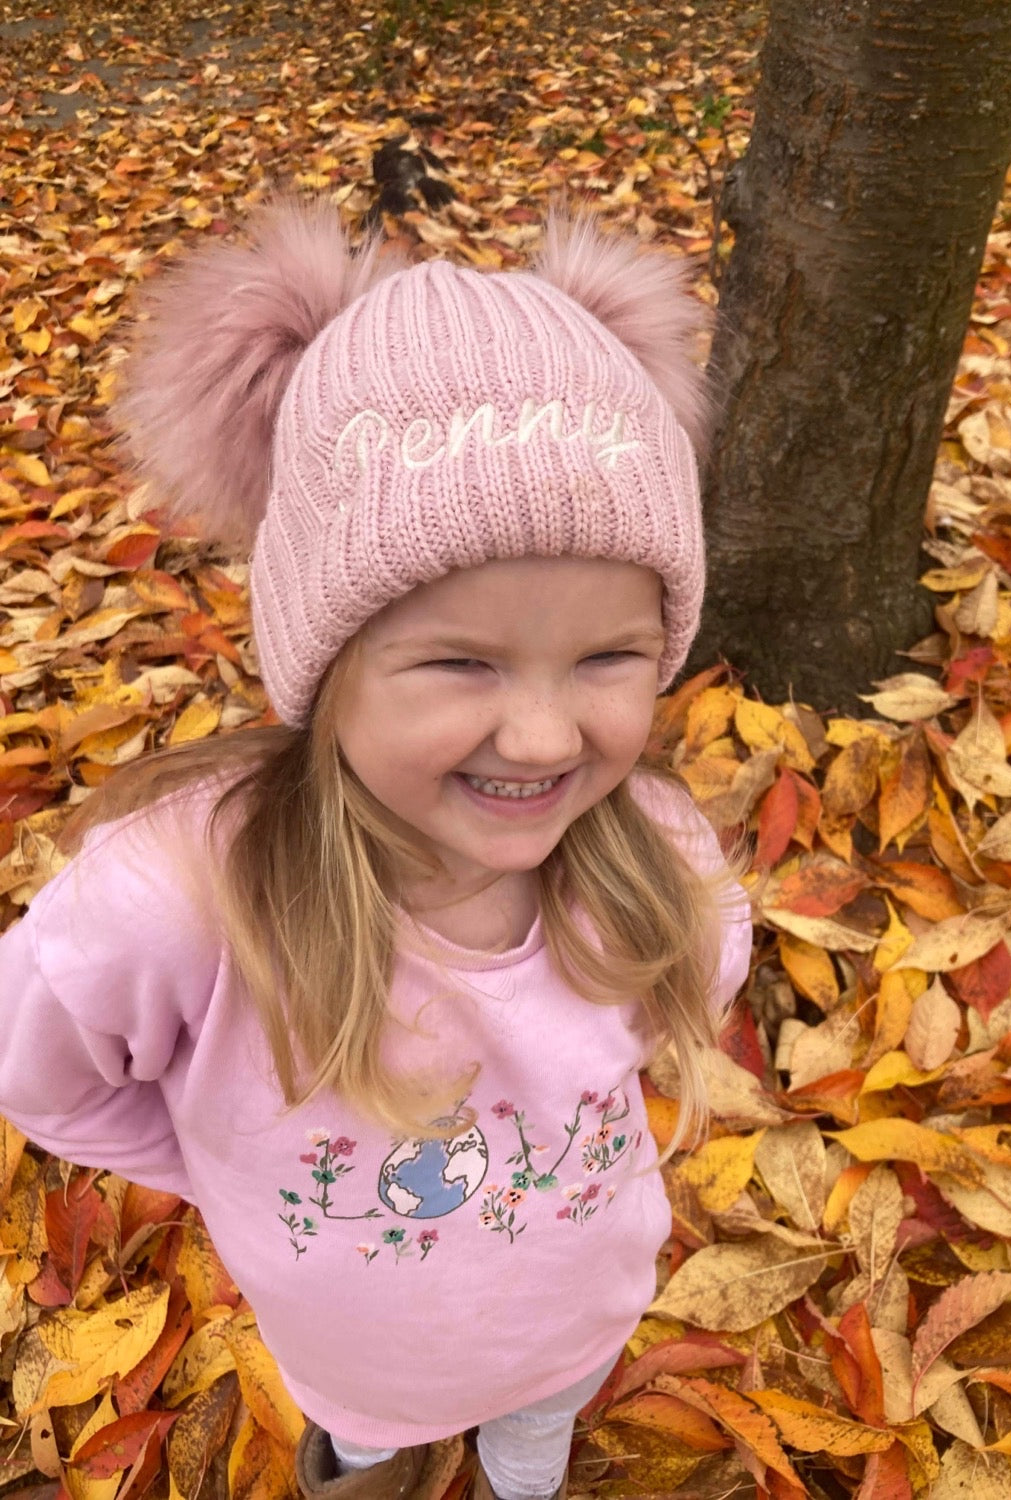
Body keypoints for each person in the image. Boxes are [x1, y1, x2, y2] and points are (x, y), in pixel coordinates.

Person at [0, 197, 753, 1500]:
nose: (536, 734)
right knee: (368, 1459)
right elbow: (46, 1064)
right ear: (325, 662)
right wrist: (213, 1154)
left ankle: (525, 1467)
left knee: (535, 1441)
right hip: (353, 1356)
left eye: (607, 659)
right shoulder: (173, 905)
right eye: (457, 660)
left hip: (577, 1317)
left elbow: (684, 999)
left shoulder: (664, 865)